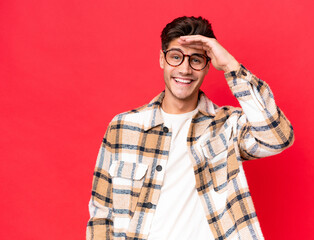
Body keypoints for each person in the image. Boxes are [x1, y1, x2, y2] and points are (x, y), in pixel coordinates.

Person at [86, 16, 294, 240]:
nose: (184, 69)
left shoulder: (227, 126)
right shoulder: (123, 128)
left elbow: (277, 137)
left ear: (207, 65)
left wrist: (231, 67)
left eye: (196, 60)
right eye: (176, 57)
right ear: (162, 59)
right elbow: (101, 215)